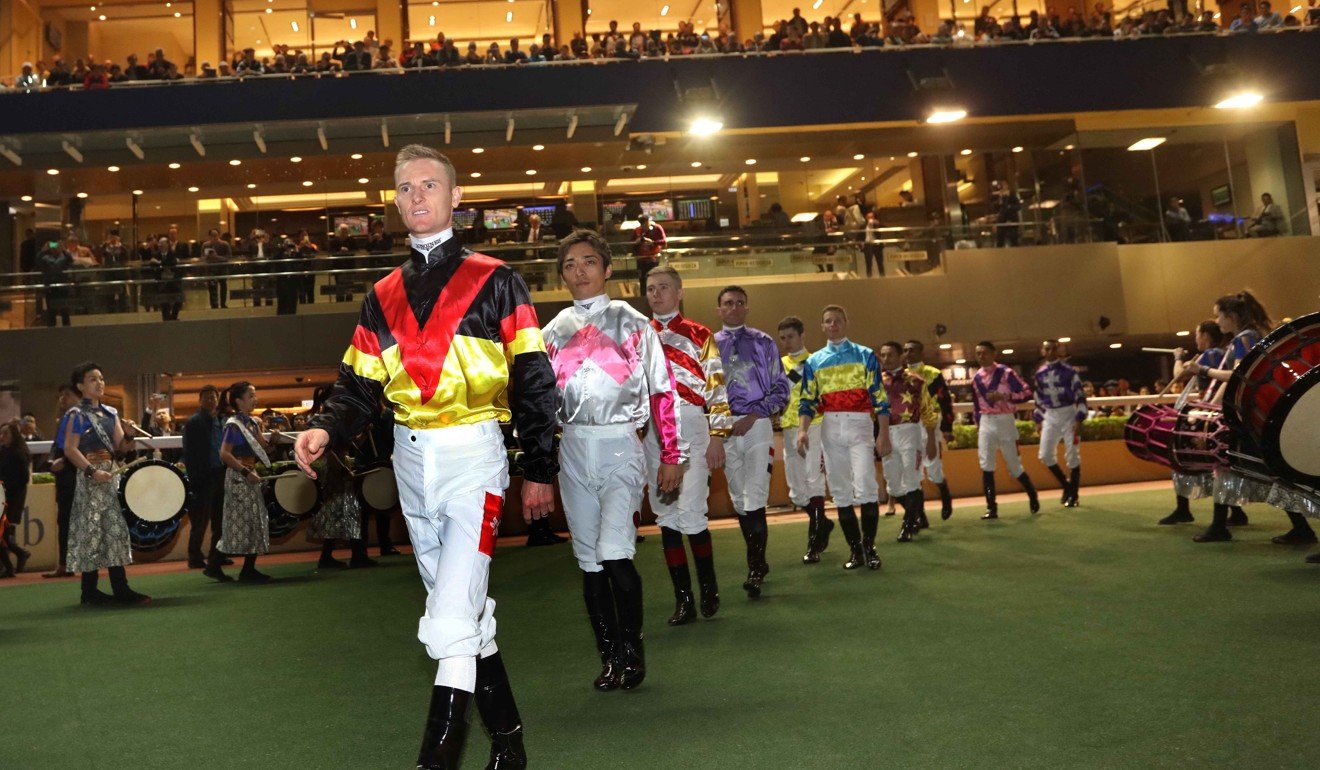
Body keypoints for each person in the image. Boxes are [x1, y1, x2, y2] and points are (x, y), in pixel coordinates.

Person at [296, 144, 557, 769]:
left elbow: (534, 377)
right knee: (465, 612)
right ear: (393, 201)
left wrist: (539, 468)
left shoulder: (499, 279)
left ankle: (435, 760)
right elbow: (358, 386)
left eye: (430, 185)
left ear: (456, 197)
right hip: (410, 462)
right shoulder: (379, 294)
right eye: (406, 187)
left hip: (476, 457)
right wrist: (325, 430)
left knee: (446, 621)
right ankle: (510, 746)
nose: (417, 196)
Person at [542, 229, 685, 692]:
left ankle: (633, 652)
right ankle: (609, 657)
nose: (578, 271)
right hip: (573, 449)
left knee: (615, 552)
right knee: (588, 560)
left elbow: (664, 392)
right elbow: (539, 404)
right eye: (569, 265)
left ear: (606, 269)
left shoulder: (634, 323)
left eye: (587, 262)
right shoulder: (551, 332)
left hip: (621, 443)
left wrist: (671, 454)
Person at [644, 266, 732, 625]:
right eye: (650, 288)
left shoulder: (700, 333)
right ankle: (684, 599)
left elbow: (716, 386)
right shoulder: (639, 335)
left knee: (692, 511)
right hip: (652, 428)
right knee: (665, 514)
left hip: (692, 422)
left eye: (664, 287)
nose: (656, 294)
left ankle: (708, 588)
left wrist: (717, 435)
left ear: (679, 292)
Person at [796, 305, 891, 570]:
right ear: (822, 326)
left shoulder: (865, 355)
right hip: (830, 426)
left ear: (846, 322)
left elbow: (880, 397)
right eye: (828, 321)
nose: (833, 325)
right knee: (839, 490)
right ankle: (856, 551)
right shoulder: (814, 361)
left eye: (837, 320)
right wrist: (803, 430)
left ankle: (870, 548)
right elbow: (807, 400)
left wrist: (883, 433)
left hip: (860, 423)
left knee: (865, 484)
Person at [715, 286, 791, 595]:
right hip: (723, 429)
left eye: (739, 303)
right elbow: (704, 392)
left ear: (747, 308)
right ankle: (758, 562)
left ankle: (755, 567)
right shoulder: (709, 345)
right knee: (739, 500)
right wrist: (718, 425)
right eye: (728, 303)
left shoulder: (764, 342)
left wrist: (754, 415)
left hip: (757, 425)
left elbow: (781, 389)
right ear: (719, 309)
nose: (734, 307)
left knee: (756, 496)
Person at [63, 362, 151, 605]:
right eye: (93, 379)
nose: (100, 383)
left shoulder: (112, 413)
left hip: (111, 475)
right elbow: (70, 450)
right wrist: (91, 471)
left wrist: (129, 433)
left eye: (101, 378)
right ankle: (91, 591)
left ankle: (114, 589)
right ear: (80, 386)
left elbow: (121, 450)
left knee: (114, 530)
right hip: (91, 477)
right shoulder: (76, 415)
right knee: (93, 531)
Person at [1160, 320, 1227, 525]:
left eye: (1197, 335)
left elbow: (1177, 377)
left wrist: (1178, 358)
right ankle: (1234, 513)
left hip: (1208, 415)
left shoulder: (1209, 356)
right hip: (1217, 413)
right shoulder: (1223, 354)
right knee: (1221, 464)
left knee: (1180, 456)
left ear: (1205, 336)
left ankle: (1183, 509)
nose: (1195, 339)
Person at [778, 316, 832, 563]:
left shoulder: (816, 362)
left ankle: (815, 543)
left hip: (814, 426)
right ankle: (824, 523)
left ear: (802, 336)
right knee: (797, 493)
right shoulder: (778, 364)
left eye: (790, 336)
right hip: (788, 429)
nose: (786, 342)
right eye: (783, 338)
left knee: (814, 482)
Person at [971, 341, 1040, 518]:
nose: (981, 356)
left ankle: (1032, 494)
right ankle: (991, 507)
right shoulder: (976, 377)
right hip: (986, 421)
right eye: (978, 353)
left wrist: (1005, 396)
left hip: (1005, 421)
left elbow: (1026, 393)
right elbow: (976, 405)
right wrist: (979, 424)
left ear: (994, 354)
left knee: (1014, 466)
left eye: (984, 353)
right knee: (986, 464)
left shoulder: (1006, 372)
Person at [878, 342, 938, 542]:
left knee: (912, 479)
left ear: (900, 356)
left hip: (910, 432)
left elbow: (929, 411)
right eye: (883, 356)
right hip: (887, 433)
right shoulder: (876, 382)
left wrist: (930, 440)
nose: (886, 359)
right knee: (893, 486)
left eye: (890, 355)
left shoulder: (916, 380)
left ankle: (908, 525)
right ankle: (918, 514)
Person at [216, 381, 276, 582]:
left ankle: (244, 568)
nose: (255, 399)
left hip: (250, 475)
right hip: (239, 477)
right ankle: (233, 567)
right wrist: (245, 472)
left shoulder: (252, 423)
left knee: (253, 521)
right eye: (251, 396)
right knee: (240, 522)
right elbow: (224, 454)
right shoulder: (234, 425)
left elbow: (265, 449)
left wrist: (274, 440)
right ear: (239, 401)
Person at [903, 340, 955, 519]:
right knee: (913, 469)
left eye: (912, 350)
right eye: (905, 351)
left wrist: (948, 428)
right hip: (909, 426)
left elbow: (945, 401)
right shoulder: (901, 376)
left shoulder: (933, 374)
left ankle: (945, 494)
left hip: (930, 424)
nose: (908, 354)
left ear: (921, 353)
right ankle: (920, 515)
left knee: (932, 467)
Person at [1033, 339, 1087, 508]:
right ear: (1042, 351)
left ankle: (1074, 495)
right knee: (1045, 455)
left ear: (1057, 351)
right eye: (1046, 349)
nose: (1049, 352)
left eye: (1052, 349)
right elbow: (1038, 398)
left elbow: (1080, 394)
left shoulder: (1069, 371)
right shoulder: (1039, 374)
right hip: (1050, 415)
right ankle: (1067, 486)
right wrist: (1039, 419)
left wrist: (1079, 418)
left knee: (1072, 455)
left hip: (1068, 413)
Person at [182, 386, 226, 573]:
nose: (210, 401)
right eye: (207, 398)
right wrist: (195, 478)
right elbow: (189, 453)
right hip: (203, 477)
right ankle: (194, 556)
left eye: (213, 398)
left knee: (219, 519)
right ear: (200, 400)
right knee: (200, 520)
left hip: (219, 474)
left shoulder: (220, 420)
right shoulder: (194, 422)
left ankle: (217, 555)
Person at [42, 385, 80, 578]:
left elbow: (81, 447)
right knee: (65, 521)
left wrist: (63, 461)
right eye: (60, 396)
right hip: (65, 479)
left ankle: (68, 564)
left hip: (74, 477)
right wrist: (51, 462)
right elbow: (58, 447)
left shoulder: (78, 417)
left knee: (69, 521)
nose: (62, 399)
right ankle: (65, 564)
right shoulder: (65, 419)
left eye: (67, 395)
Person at [0, 420, 34, 578]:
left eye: (6, 433)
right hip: (3, 498)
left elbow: (24, 479)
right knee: (4, 535)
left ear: (14, 435)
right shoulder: (4, 451)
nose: (2, 436)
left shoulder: (18, 454)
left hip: (11, 500)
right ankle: (20, 556)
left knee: (3, 535)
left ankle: (9, 566)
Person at [631, 214, 666, 290]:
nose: (643, 226)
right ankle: (644, 298)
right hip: (641, 259)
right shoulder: (637, 230)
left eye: (645, 223)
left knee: (654, 279)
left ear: (648, 221)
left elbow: (663, 241)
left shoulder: (657, 228)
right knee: (642, 281)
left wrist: (653, 242)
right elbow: (631, 243)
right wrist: (636, 242)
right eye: (642, 224)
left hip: (653, 258)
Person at [201, 228, 233, 309]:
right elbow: (202, 257)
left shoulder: (224, 244)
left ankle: (223, 303)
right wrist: (207, 257)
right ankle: (214, 305)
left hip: (222, 269)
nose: (214, 237)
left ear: (218, 235)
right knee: (212, 289)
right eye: (212, 235)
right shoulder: (205, 245)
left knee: (223, 287)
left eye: (216, 235)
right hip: (211, 269)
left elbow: (229, 257)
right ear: (209, 236)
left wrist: (217, 257)